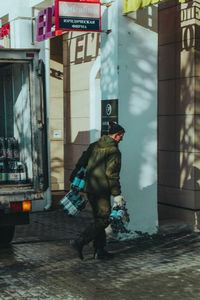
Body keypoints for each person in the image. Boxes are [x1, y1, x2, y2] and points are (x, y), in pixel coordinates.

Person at [70, 121, 126, 260]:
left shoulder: (94, 145)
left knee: (99, 218)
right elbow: (111, 174)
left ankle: (99, 250)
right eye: (121, 136)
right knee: (104, 218)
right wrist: (117, 194)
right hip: (102, 190)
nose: (122, 139)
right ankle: (80, 241)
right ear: (115, 135)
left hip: (90, 187)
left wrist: (74, 179)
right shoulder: (114, 151)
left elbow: (81, 162)